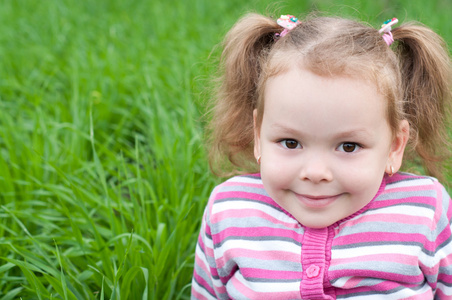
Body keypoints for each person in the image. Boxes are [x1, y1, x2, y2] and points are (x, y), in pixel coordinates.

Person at [191, 11, 452, 299]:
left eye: (349, 146)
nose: (315, 172)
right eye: (290, 143)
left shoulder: (424, 212)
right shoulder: (229, 213)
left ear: (394, 146)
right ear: (258, 135)